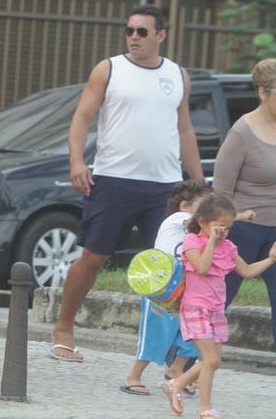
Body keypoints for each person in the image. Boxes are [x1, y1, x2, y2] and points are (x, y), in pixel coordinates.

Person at [51, 4, 203, 362]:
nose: (134, 37)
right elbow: (82, 118)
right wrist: (77, 162)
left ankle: (173, 352)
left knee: (171, 267)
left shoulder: (177, 75)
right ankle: (63, 328)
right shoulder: (109, 69)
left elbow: (184, 129)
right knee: (93, 257)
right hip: (114, 179)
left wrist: (198, 185)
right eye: (129, 30)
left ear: (161, 35)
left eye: (142, 31)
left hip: (164, 186)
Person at [159, 193, 276, 418]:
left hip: (216, 310)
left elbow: (247, 271)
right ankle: (205, 409)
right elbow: (202, 268)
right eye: (220, 227)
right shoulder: (192, 241)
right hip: (195, 308)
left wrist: (271, 259)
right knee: (210, 359)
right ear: (202, 222)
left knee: (213, 361)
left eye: (229, 227)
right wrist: (211, 241)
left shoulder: (229, 246)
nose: (224, 232)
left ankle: (176, 384)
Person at [120, 180, 210, 397]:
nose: (211, 210)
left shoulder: (201, 233)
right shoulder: (176, 220)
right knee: (155, 333)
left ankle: (176, 369)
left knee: (194, 333)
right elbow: (196, 223)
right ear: (185, 205)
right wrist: (236, 216)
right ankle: (134, 376)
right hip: (161, 288)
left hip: (186, 289)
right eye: (206, 205)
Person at [213, 58, 276, 349]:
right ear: (263, 93)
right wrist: (223, 229)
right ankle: (180, 368)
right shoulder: (242, 132)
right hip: (242, 229)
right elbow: (221, 190)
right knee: (216, 301)